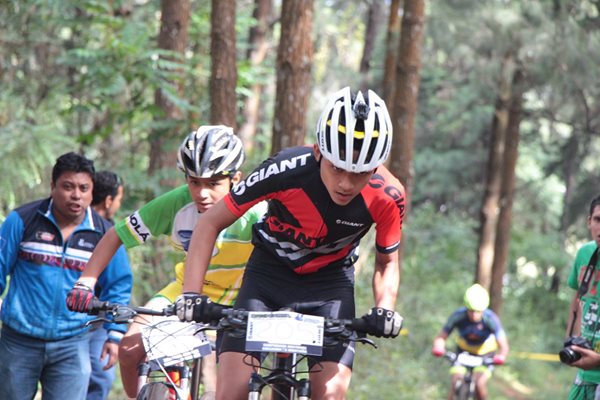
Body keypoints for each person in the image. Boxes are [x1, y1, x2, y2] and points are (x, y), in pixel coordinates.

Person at [175, 87, 405, 400]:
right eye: (337, 167)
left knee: (331, 394)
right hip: (268, 276)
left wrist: (385, 309)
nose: (346, 183)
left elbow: (387, 261)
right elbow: (209, 223)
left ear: (376, 167)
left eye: (361, 172)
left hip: (330, 285)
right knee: (232, 392)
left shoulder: (388, 195)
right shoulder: (284, 169)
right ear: (317, 152)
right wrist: (191, 294)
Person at [67, 126, 266, 399]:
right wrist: (85, 282)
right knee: (129, 350)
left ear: (236, 179)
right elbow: (116, 235)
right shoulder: (177, 204)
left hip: (242, 299)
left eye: (213, 184)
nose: (202, 193)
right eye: (194, 182)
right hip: (186, 293)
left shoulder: (255, 211)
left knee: (233, 389)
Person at [0, 152, 132, 400]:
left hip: (73, 344)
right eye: (68, 186)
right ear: (52, 187)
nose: (76, 195)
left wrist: (115, 334)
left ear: (93, 192)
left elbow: (118, 285)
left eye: (84, 188)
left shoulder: (106, 235)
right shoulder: (23, 220)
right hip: (18, 342)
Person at [88, 170, 132, 400]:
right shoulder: (109, 234)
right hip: (95, 322)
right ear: (108, 200)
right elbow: (119, 284)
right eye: (119, 199)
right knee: (98, 379)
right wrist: (114, 334)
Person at [431, 283, 509, 400]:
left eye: (478, 311)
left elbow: (503, 345)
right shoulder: (458, 316)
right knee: (455, 382)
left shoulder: (491, 318)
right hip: (463, 353)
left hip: (485, 355)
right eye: (471, 310)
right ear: (466, 308)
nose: (474, 315)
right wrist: (439, 347)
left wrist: (501, 356)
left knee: (479, 384)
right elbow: (441, 337)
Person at [564, 194, 600, 399]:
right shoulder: (585, 253)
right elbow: (578, 300)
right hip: (584, 375)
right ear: (589, 221)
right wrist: (571, 341)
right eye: (598, 220)